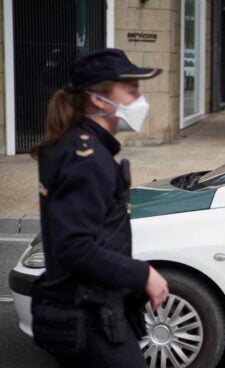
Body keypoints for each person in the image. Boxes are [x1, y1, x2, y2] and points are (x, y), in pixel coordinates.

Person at [30, 48, 169, 368]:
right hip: (92, 320)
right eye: (131, 90)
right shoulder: (88, 160)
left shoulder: (82, 148)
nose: (140, 99)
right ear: (98, 99)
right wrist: (143, 273)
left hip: (90, 312)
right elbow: (75, 247)